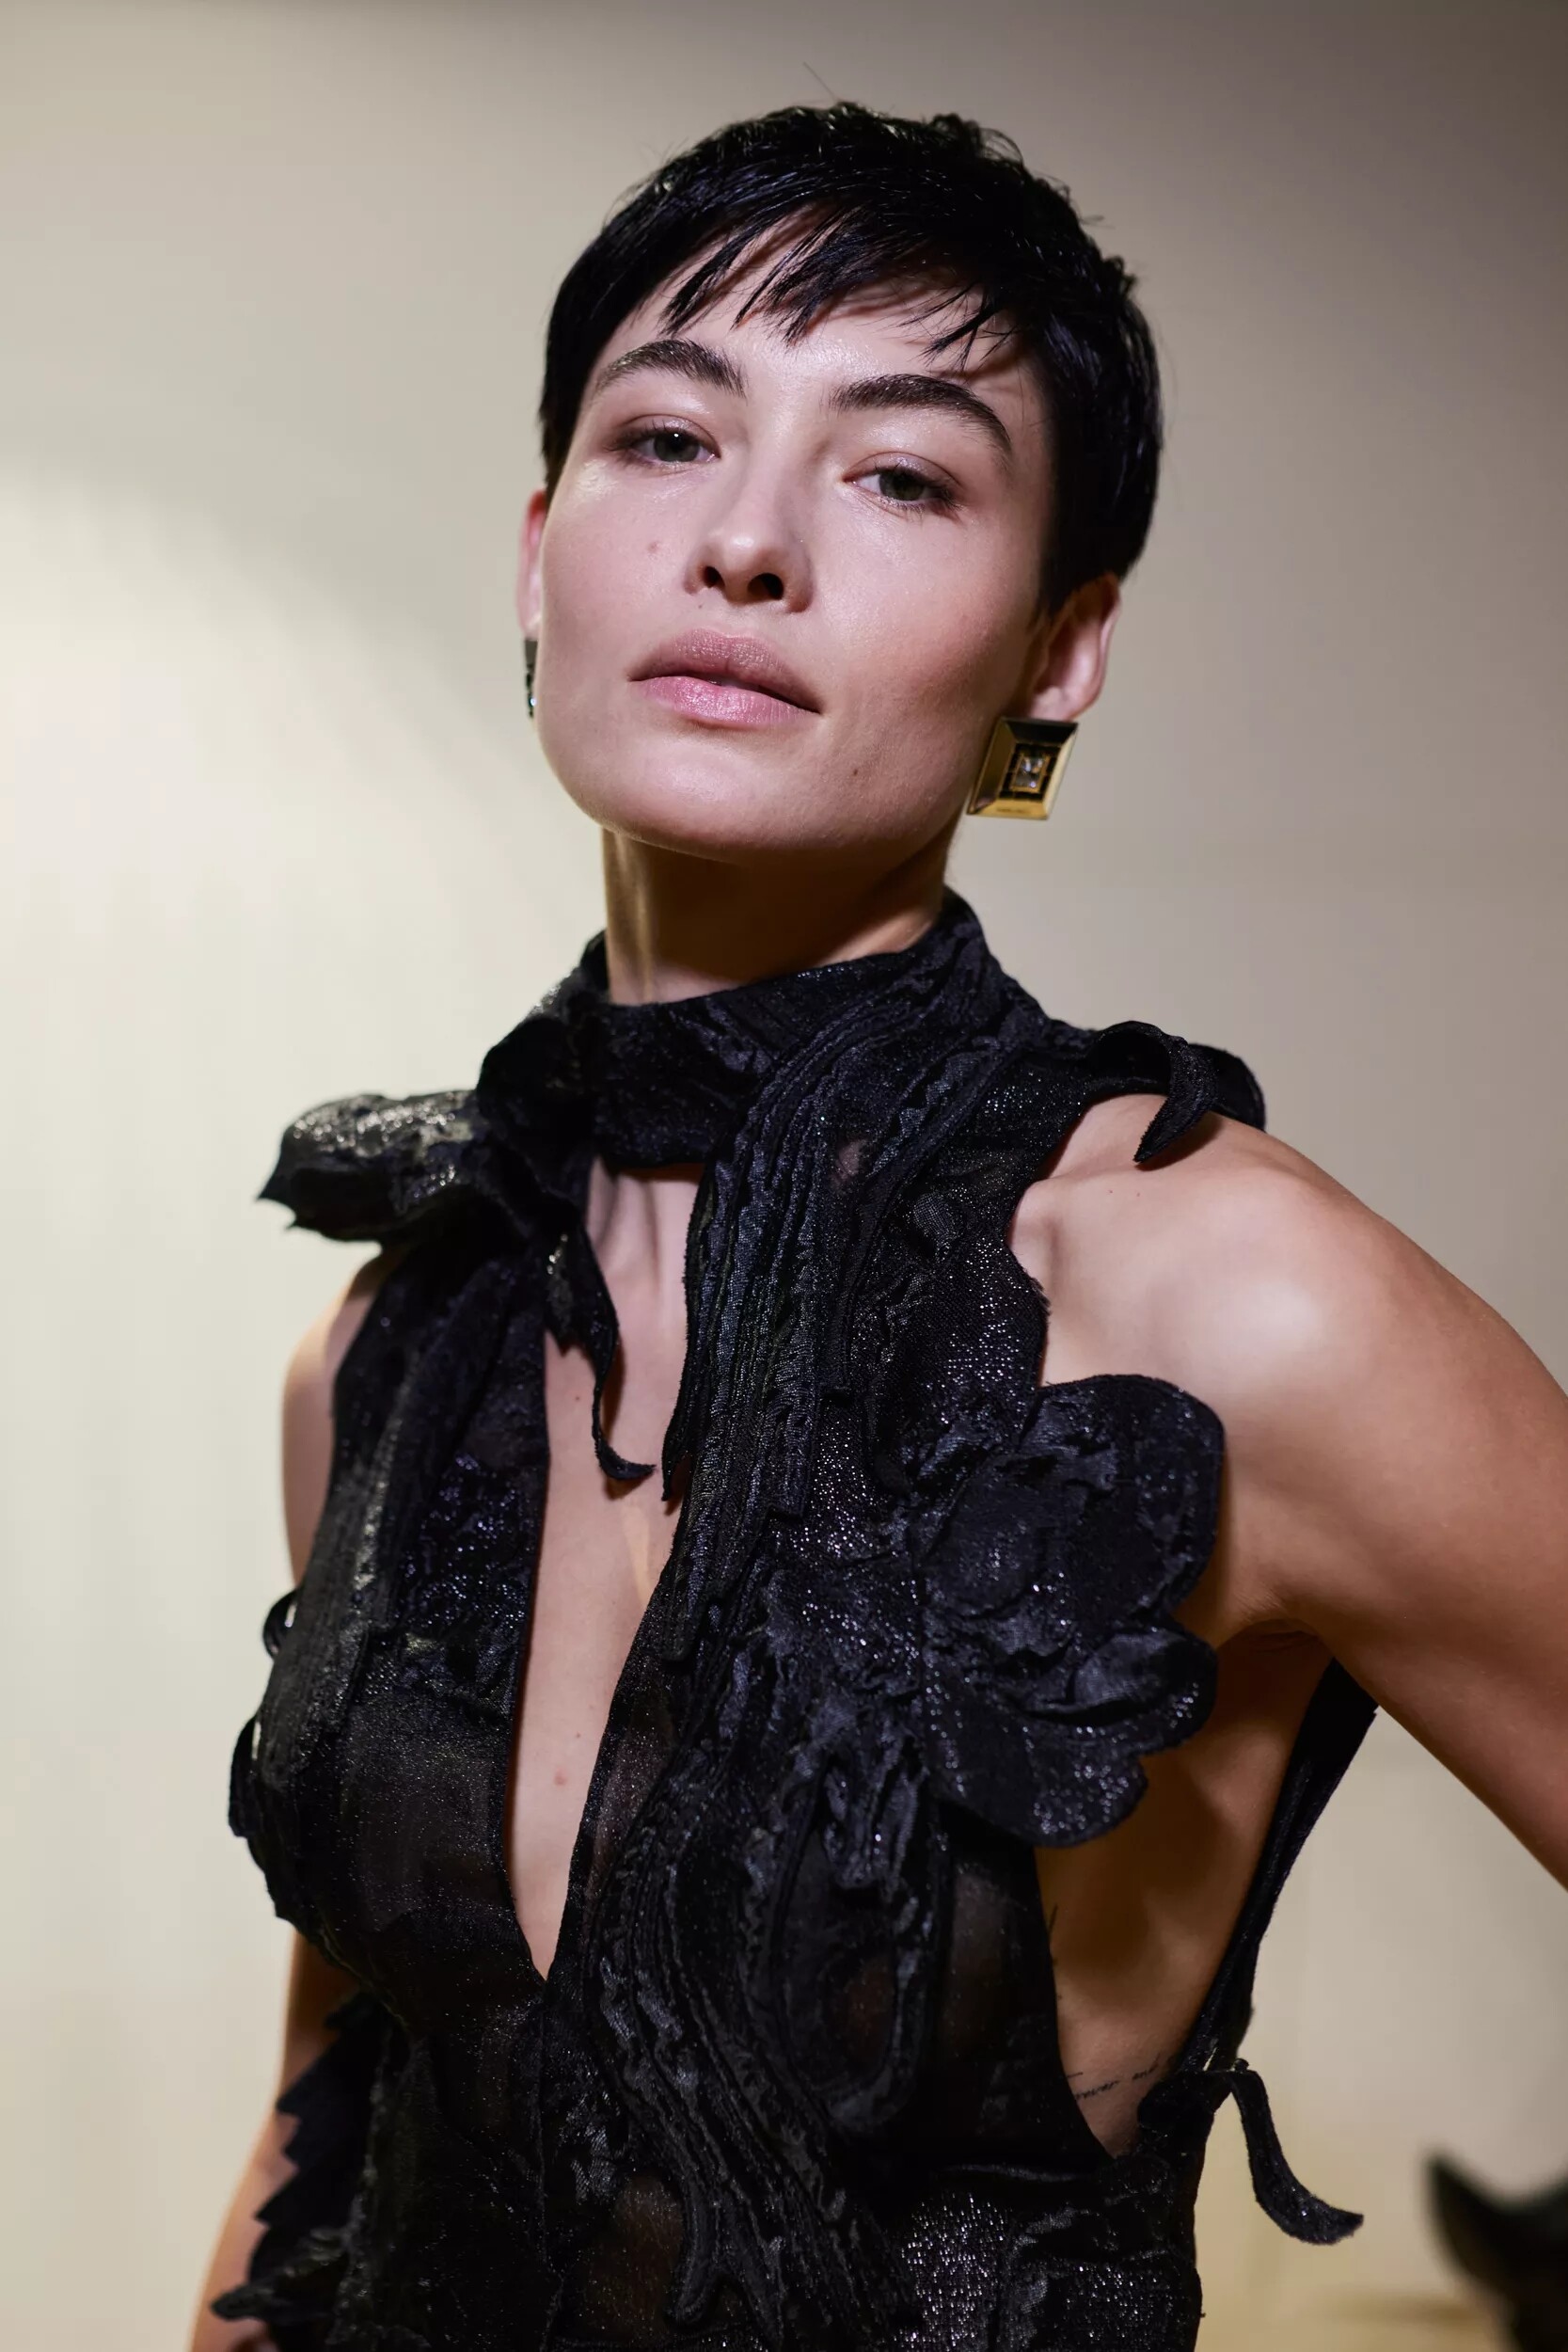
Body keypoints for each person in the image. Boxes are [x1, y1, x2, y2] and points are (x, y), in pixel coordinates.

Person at [192, 102, 1568, 2352]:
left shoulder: (1227, 1303)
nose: (746, 540)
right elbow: (319, 2150)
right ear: (539, 554)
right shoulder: (391, 1347)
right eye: (666, 437)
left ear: (1063, 645)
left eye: (905, 474)